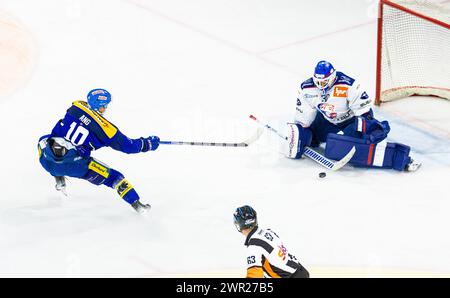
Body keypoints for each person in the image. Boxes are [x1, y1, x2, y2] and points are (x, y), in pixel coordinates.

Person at [37, 88, 160, 213]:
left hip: (46, 160)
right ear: (101, 107)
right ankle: (137, 205)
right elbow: (129, 146)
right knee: (114, 178)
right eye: (105, 106)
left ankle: (58, 178)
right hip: (75, 166)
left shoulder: (76, 106)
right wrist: (148, 143)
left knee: (44, 140)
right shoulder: (107, 129)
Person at [285, 60, 421, 172]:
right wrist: (301, 131)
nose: (321, 86)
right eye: (318, 82)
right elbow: (304, 117)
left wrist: (366, 127)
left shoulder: (348, 85)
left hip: (349, 121)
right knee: (303, 137)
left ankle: (400, 158)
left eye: (324, 82)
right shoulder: (307, 88)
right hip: (326, 120)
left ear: (332, 77)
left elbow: (364, 110)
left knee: (341, 147)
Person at [233, 205, 310, 278]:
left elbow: (254, 275)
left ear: (238, 225)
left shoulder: (253, 247)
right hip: (300, 271)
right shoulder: (268, 232)